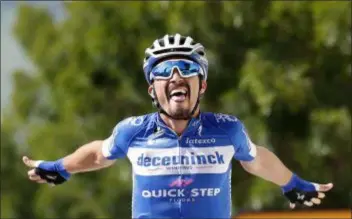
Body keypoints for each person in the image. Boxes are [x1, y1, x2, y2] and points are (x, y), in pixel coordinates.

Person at [23, 33, 333, 219]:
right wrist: (60, 167)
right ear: (151, 89)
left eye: (186, 67)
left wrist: (291, 183)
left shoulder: (227, 130)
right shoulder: (133, 131)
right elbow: (98, 155)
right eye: (163, 70)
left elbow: (256, 160)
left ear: (203, 85)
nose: (175, 76)